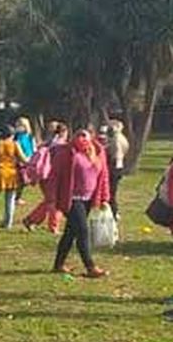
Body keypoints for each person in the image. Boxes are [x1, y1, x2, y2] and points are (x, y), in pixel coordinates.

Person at [49, 128, 111, 278]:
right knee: (83, 231)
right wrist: (51, 199)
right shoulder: (66, 153)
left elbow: (103, 177)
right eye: (79, 135)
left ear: (91, 136)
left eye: (85, 135)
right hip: (71, 199)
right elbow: (54, 176)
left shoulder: (97, 152)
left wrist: (104, 197)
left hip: (88, 199)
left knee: (70, 232)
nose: (82, 138)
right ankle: (90, 267)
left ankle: (58, 264)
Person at [23, 122, 69, 232]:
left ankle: (30, 220)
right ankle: (53, 226)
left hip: (44, 176)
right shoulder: (61, 146)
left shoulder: (45, 144)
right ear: (63, 133)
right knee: (55, 202)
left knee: (49, 201)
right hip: (55, 177)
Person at [0, 124, 28, 229]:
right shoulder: (14, 144)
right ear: (11, 134)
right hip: (11, 174)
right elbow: (24, 159)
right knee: (10, 200)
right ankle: (8, 223)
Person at [105, 117, 130, 216]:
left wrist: (113, 166)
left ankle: (114, 211)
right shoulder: (121, 137)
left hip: (115, 166)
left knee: (111, 192)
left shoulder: (117, 138)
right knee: (112, 191)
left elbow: (117, 154)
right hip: (118, 166)